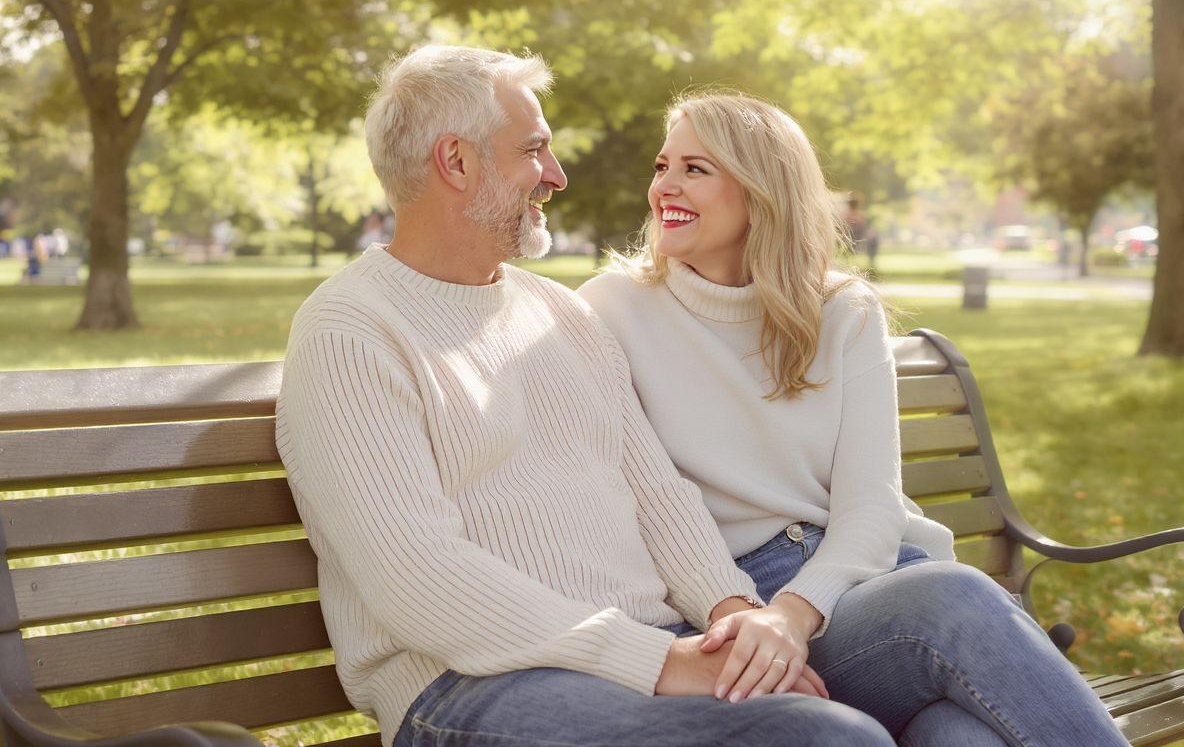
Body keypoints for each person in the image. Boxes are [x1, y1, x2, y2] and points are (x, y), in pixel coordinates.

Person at [276, 47, 898, 747]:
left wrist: (735, 616)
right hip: (470, 689)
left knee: (889, 722)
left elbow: (656, 494)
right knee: (829, 741)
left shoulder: (560, 312)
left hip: (645, 648)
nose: (556, 175)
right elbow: (421, 579)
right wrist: (660, 660)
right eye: (535, 150)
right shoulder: (351, 332)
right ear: (456, 163)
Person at [578, 90, 1126, 746]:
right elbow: (649, 504)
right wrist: (757, 617)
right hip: (736, 603)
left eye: (695, 169)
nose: (664, 185)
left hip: (864, 577)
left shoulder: (843, 310)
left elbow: (871, 504)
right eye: (663, 165)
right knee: (955, 604)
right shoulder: (611, 310)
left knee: (959, 736)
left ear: (762, 191)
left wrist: (794, 614)